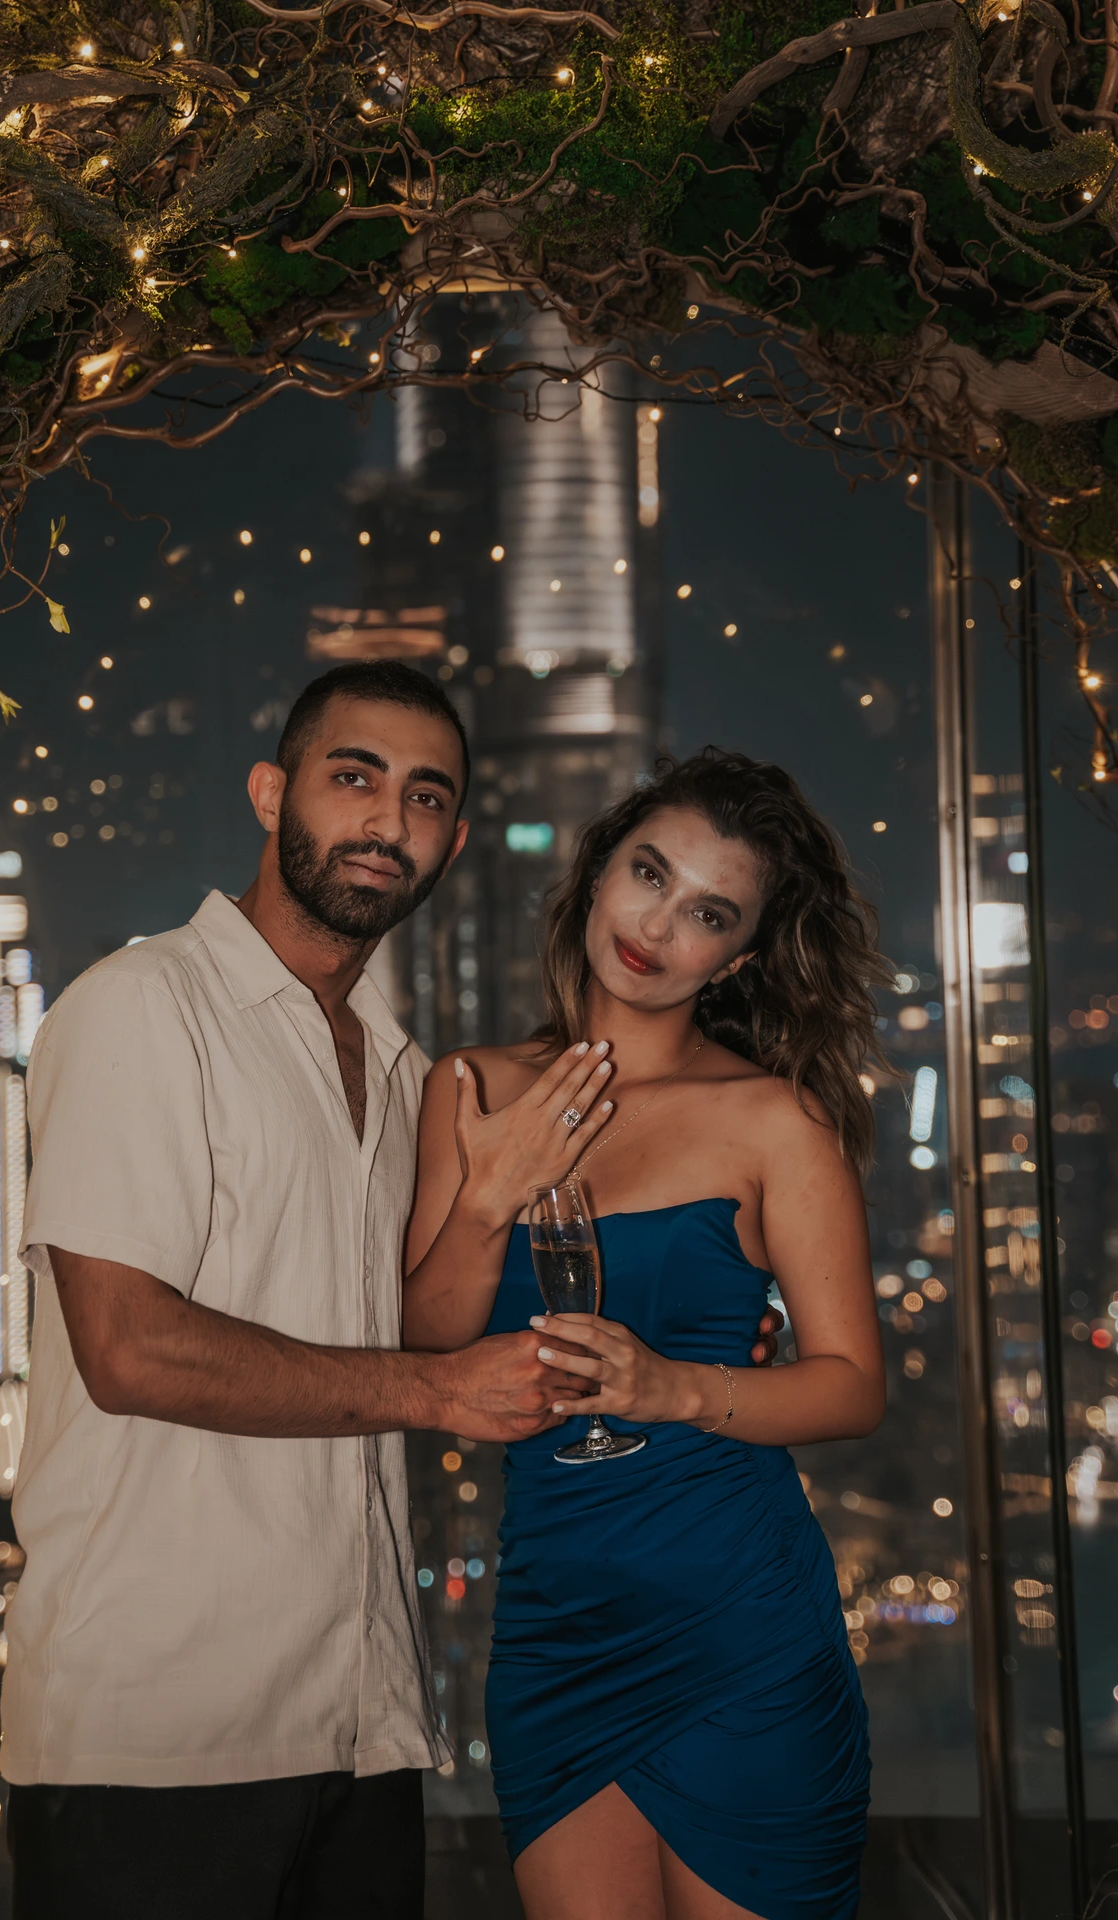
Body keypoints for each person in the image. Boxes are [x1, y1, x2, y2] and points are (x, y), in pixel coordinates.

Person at [0, 661, 600, 1920]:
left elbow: (405, 1326)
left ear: (453, 842)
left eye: (424, 796)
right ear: (272, 794)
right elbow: (127, 1349)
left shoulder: (399, 1067)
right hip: (153, 1735)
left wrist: (493, 1206)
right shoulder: (141, 1009)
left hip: (358, 1720)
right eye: (353, 777)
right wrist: (436, 1393)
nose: (387, 819)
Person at [404, 747, 889, 1920]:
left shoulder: (771, 1119)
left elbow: (849, 1387)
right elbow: (427, 1347)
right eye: (648, 873)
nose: (658, 925)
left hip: (741, 1628)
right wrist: (488, 1193)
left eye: (708, 914)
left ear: (740, 957)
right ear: (596, 873)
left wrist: (669, 1388)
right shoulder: (468, 1087)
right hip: (556, 1625)